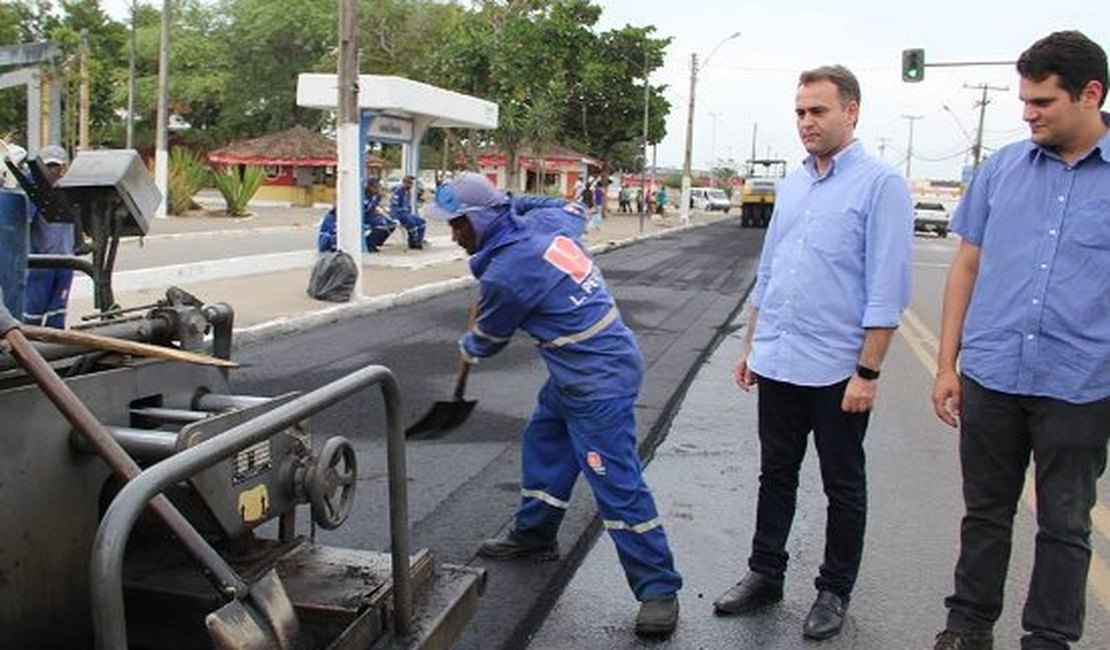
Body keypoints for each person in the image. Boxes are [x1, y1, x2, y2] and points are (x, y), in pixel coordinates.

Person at [422, 172, 684, 638]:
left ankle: (659, 588)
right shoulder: (549, 221)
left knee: (615, 481)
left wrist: (469, 344)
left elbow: (490, 339)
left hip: (598, 380)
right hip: (582, 367)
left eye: (460, 224)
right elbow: (573, 208)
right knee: (545, 438)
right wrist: (511, 203)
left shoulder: (506, 275)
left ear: (483, 219)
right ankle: (535, 533)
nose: (454, 234)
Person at [711, 64, 912, 641]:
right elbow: (769, 270)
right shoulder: (795, 182)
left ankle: (833, 591)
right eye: (800, 111)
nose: (806, 122)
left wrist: (867, 372)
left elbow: (887, 289)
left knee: (842, 484)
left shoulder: (880, 185)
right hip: (779, 359)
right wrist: (752, 345)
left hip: (837, 370)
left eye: (818, 110)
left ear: (851, 111)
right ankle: (764, 573)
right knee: (776, 474)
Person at [930, 31, 1110, 650]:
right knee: (984, 513)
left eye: (1042, 102)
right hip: (992, 375)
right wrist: (945, 364)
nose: (1028, 113)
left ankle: (1048, 639)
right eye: (1024, 102)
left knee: (1064, 522)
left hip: (1081, 384)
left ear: (1091, 94)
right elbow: (967, 266)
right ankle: (967, 626)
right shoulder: (1001, 170)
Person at [22, 145, 76, 329]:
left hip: (66, 263)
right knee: (32, 316)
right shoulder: (35, 191)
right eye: (48, 166)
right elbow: (25, 222)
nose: (53, 170)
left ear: (63, 168)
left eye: (56, 166)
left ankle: (56, 352)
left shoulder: (69, 191)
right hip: (42, 264)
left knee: (57, 315)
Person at [388, 175, 427, 249]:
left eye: (411, 183)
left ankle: (419, 241)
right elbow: (394, 207)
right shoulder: (398, 192)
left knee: (422, 222)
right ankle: (413, 242)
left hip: (406, 214)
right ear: (404, 182)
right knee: (411, 223)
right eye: (408, 183)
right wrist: (395, 217)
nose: (410, 185)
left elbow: (408, 207)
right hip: (398, 214)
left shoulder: (408, 192)